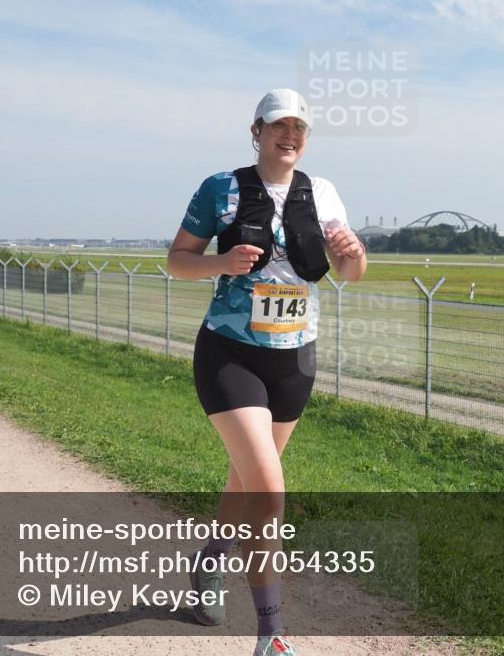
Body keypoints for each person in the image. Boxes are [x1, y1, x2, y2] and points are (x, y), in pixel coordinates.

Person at [168, 89, 367, 656]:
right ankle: (272, 635)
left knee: (246, 479)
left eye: (300, 127)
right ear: (255, 130)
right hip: (230, 351)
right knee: (270, 488)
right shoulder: (220, 188)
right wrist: (219, 263)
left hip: (295, 359)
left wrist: (353, 252)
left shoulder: (321, 192)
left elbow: (352, 273)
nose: (291, 135)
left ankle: (211, 560)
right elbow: (176, 260)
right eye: (280, 125)